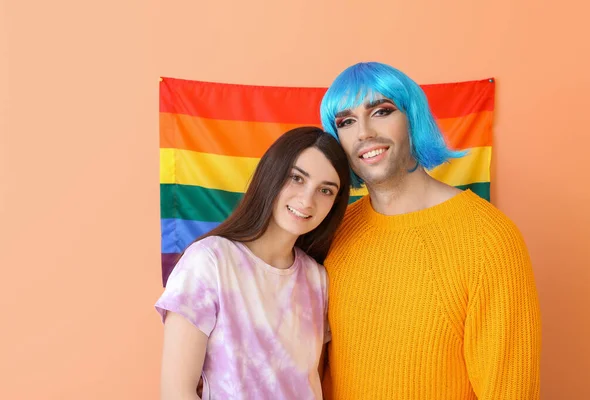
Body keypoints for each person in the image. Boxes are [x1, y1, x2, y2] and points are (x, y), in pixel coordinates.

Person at [319, 62, 542, 400]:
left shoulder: (489, 239)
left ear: (413, 119)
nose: (363, 132)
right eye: (347, 122)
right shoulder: (333, 232)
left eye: (381, 111)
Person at [155, 127, 350, 400]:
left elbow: (311, 382)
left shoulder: (317, 278)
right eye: (296, 178)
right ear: (271, 175)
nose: (307, 200)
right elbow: (176, 392)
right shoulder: (209, 261)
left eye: (325, 190)